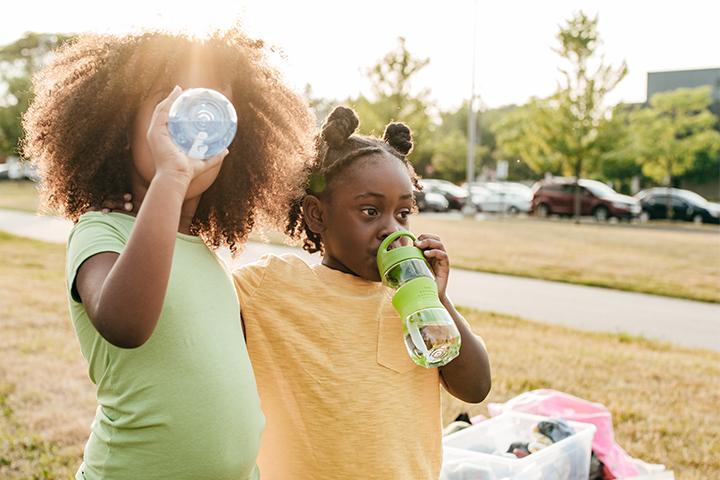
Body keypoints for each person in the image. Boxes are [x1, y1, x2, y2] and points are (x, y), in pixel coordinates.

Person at [22, 29, 315, 480]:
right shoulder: (102, 231)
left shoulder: (207, 256)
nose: (196, 123)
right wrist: (171, 177)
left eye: (215, 109)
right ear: (122, 130)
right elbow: (126, 324)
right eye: (171, 104)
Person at [233, 106, 492, 480]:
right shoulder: (269, 287)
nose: (391, 228)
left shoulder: (413, 304)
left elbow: (476, 387)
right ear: (317, 215)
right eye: (370, 211)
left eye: (403, 213)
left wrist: (437, 301)